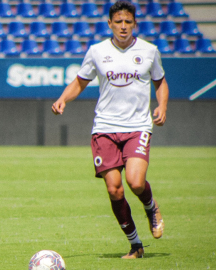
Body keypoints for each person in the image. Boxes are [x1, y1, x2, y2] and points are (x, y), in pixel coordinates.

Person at [51, 0, 168, 259]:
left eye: (128, 22)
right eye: (118, 22)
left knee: (135, 182)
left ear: (135, 23)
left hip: (137, 126)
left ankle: (150, 207)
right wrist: (63, 98)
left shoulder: (149, 51)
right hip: (104, 127)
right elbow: (80, 82)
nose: (123, 27)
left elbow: (160, 82)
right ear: (110, 24)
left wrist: (162, 106)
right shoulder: (97, 51)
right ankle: (135, 245)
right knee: (114, 188)